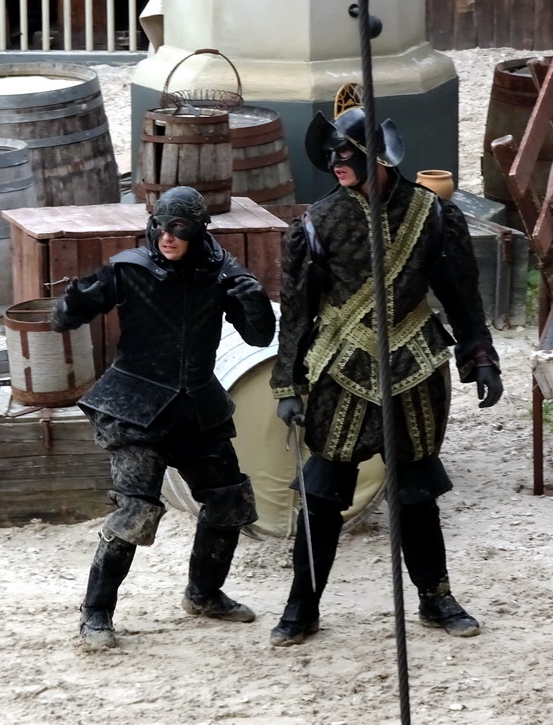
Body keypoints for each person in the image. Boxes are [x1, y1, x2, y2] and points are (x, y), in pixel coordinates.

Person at [268, 107, 504, 646]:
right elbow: (298, 313)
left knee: (417, 491)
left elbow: (462, 297)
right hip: (340, 369)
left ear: (377, 156)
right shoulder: (315, 224)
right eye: (330, 155)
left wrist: (480, 356)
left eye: (345, 153)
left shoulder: (435, 214)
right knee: (324, 494)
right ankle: (302, 607)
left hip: (416, 365)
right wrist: (289, 383)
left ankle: (435, 598)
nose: (335, 163)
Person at [51, 185, 276, 650]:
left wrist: (252, 297)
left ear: (197, 230)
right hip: (137, 408)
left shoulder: (223, 274)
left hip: (197, 407)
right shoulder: (130, 268)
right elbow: (63, 317)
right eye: (160, 226)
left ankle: (204, 594)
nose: (167, 237)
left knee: (229, 500)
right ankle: (95, 613)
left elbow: (258, 338)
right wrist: (76, 300)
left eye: (179, 228)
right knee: (135, 511)